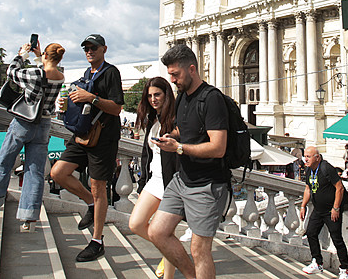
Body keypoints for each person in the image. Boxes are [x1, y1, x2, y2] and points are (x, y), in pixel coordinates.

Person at [147, 44, 230, 279]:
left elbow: (218, 147)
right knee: (157, 231)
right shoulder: (182, 97)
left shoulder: (212, 99)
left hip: (207, 184)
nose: (172, 80)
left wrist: (179, 148)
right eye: (170, 74)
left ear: (192, 69)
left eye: (175, 74)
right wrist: (171, 136)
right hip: (182, 179)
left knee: (199, 249)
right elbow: (186, 131)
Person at [49, 34, 123, 262]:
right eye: (86, 48)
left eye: (93, 48)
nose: (89, 51)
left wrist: (91, 98)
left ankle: (97, 240)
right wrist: (67, 103)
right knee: (58, 172)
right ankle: (90, 203)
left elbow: (117, 108)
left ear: (104, 49)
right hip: (83, 134)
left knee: (98, 186)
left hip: (103, 138)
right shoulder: (86, 74)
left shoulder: (111, 73)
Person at [0, 41, 65, 231]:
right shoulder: (60, 77)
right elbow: (45, 72)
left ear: (46, 55)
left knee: (5, 160)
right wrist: (39, 57)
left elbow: (11, 72)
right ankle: (29, 216)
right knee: (35, 171)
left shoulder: (35, 74)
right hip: (44, 125)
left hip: (24, 122)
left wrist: (22, 55)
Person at [128, 77, 178, 279]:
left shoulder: (176, 119)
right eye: (149, 96)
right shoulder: (152, 119)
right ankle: (171, 249)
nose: (153, 99)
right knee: (136, 224)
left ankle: (169, 273)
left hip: (170, 183)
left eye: (157, 94)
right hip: (154, 179)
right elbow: (145, 154)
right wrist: (142, 181)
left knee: (164, 232)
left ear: (167, 95)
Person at [300, 145, 348, 279]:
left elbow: (339, 188)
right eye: (305, 156)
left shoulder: (326, 168)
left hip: (331, 210)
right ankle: (317, 262)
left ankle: (345, 269)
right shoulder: (308, 170)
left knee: (337, 239)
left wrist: (336, 208)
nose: (306, 159)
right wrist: (303, 206)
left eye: (308, 157)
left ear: (317, 157)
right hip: (318, 210)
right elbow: (307, 189)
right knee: (310, 233)